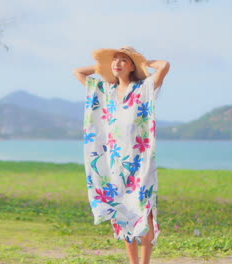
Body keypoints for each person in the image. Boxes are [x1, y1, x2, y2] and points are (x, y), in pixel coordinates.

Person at [73, 46, 170, 264]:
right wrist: (104, 66)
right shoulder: (104, 90)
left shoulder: (143, 88)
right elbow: (78, 72)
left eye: (123, 60)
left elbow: (164, 66)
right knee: (122, 211)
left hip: (140, 160)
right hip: (113, 161)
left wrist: (144, 64)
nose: (117, 63)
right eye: (114, 60)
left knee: (144, 211)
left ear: (132, 66)